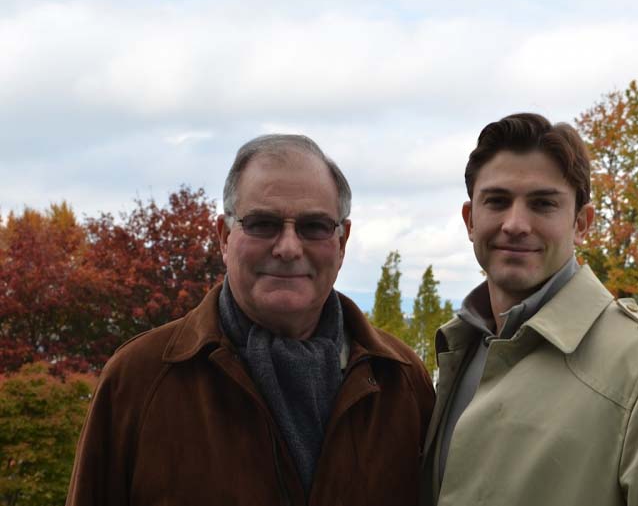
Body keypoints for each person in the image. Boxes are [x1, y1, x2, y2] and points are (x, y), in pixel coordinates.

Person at [67, 134, 434, 506]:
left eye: (314, 226)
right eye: (262, 223)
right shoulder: (138, 381)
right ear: (224, 238)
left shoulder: (403, 383)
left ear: (342, 242)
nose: (289, 248)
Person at [420, 113, 638, 505]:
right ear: (471, 220)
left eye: (542, 204)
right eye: (498, 201)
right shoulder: (461, 350)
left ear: (581, 224)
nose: (516, 224)